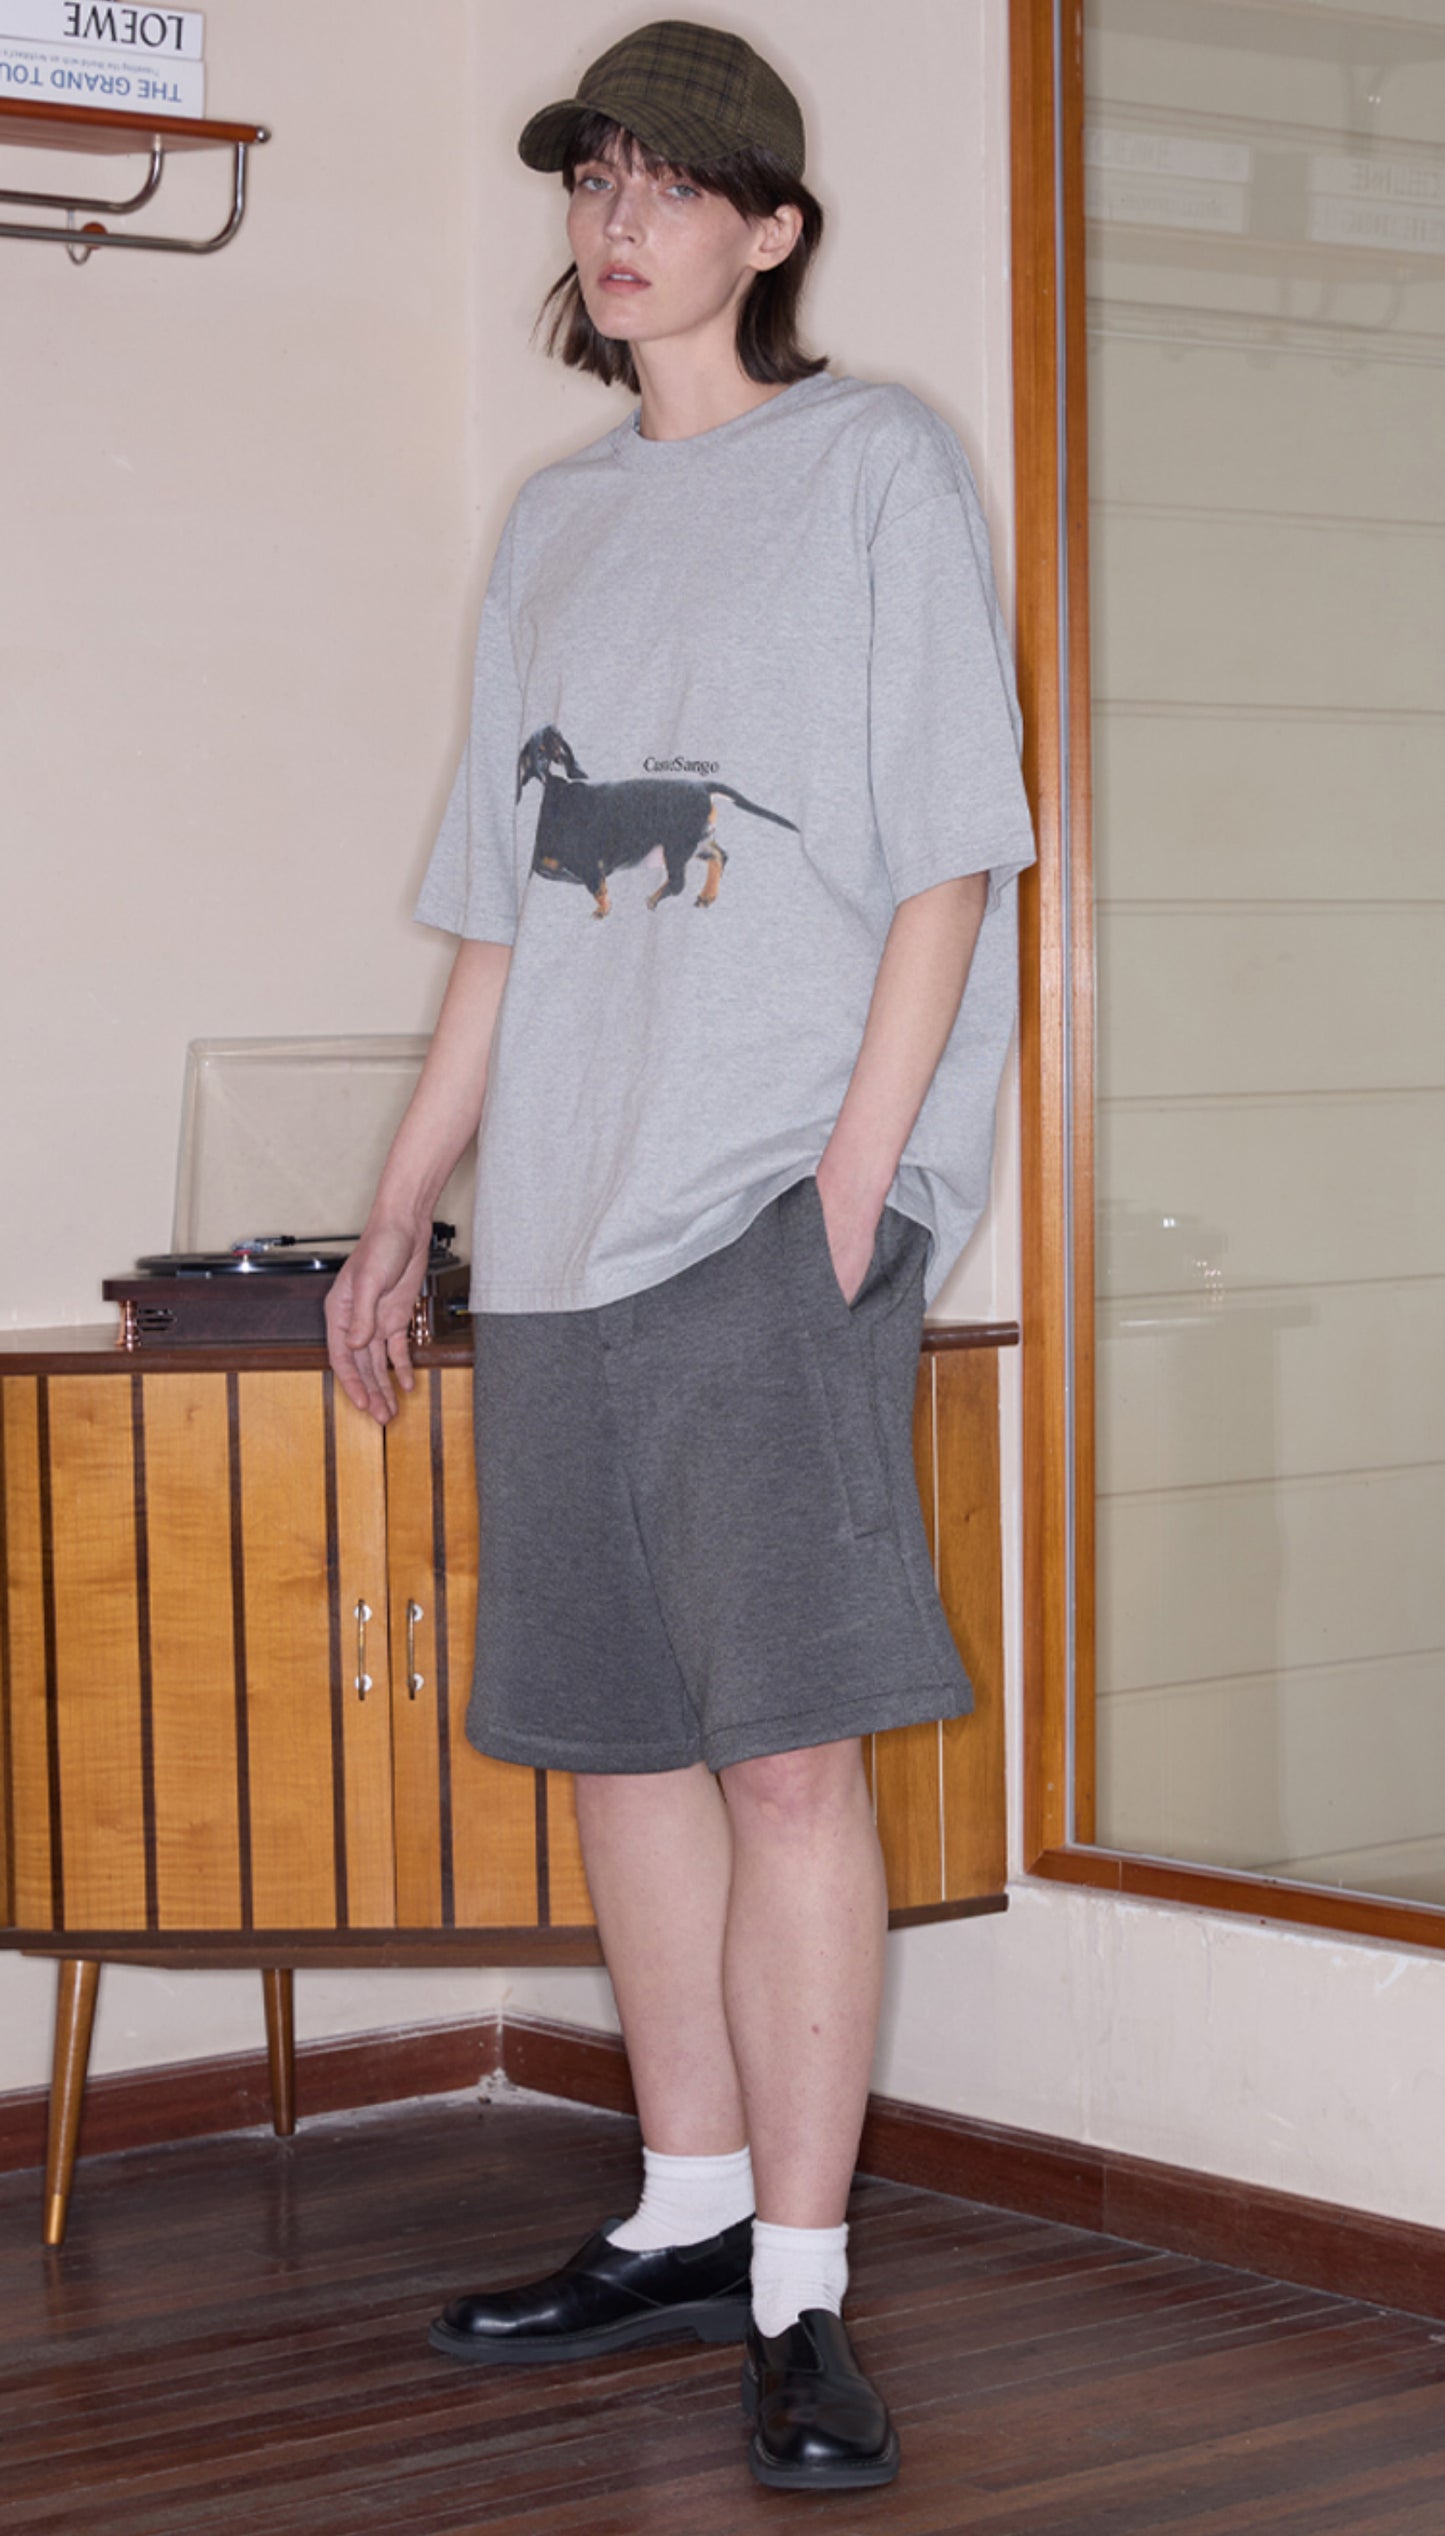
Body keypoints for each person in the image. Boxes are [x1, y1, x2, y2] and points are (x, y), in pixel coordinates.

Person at [326, 18, 1035, 2496]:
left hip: (767, 1210)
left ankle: (807, 2292)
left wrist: (854, 1183)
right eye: (591, 179)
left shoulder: (875, 468)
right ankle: (689, 2208)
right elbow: (507, 924)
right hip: (563, 1229)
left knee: (788, 1754)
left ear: (771, 230)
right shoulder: (555, 531)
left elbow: (951, 858)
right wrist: (407, 1199)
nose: (617, 221)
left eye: (668, 183)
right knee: (625, 1745)